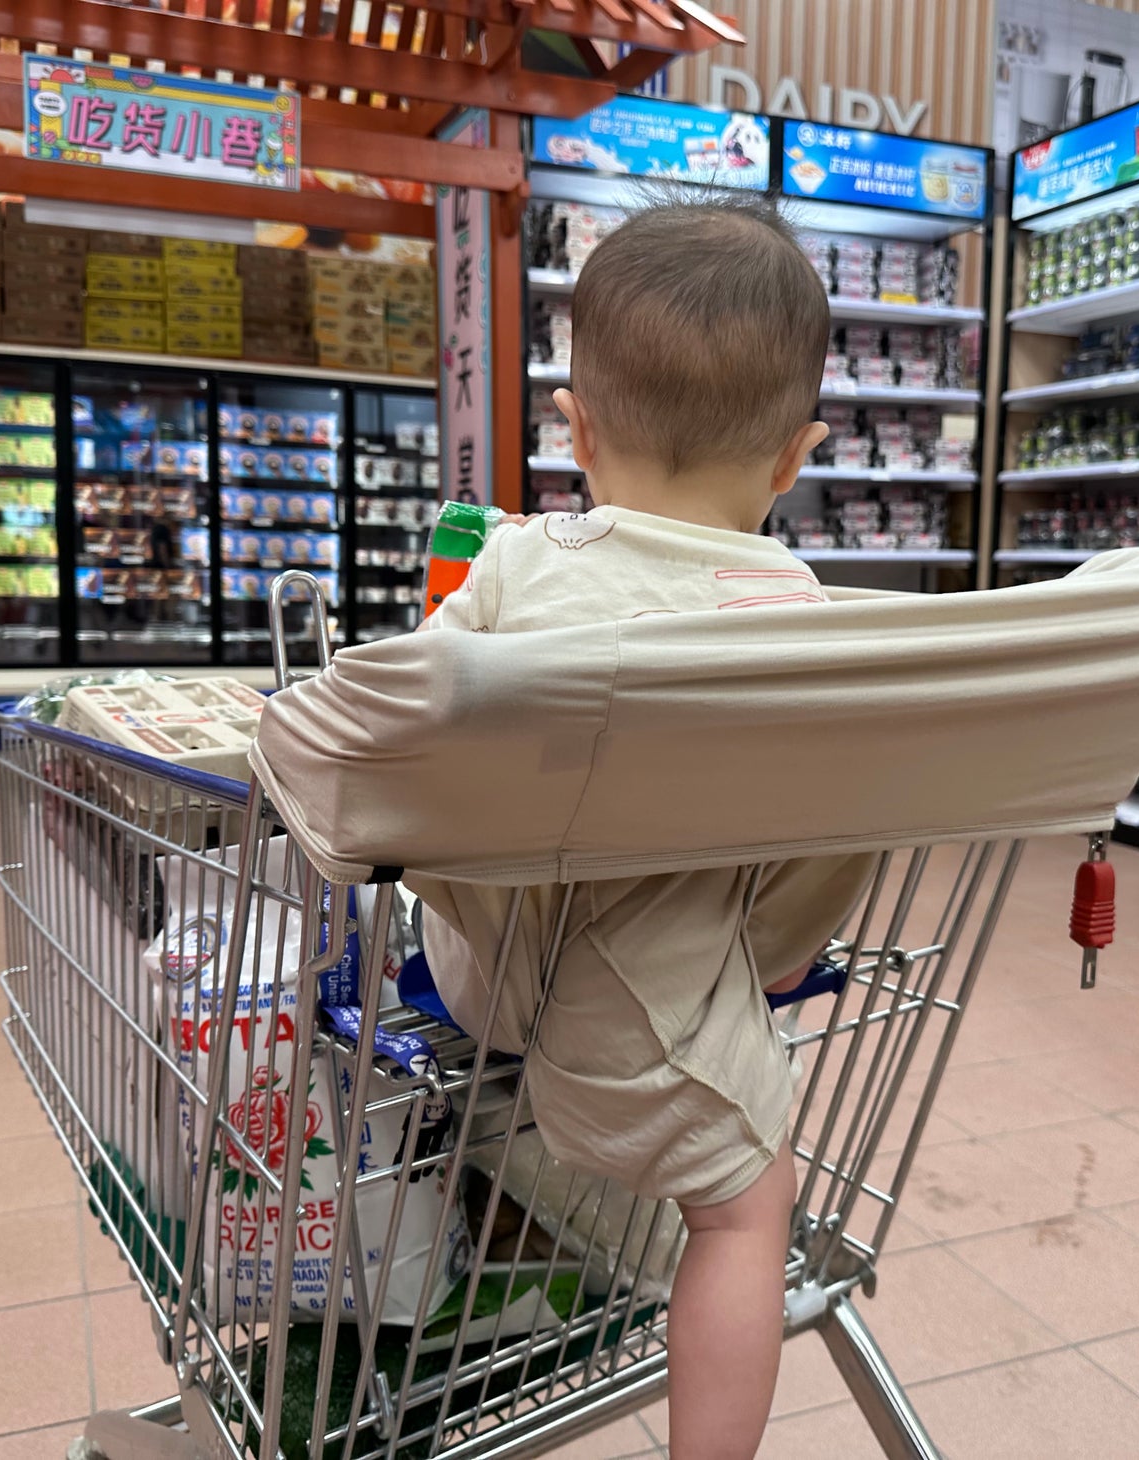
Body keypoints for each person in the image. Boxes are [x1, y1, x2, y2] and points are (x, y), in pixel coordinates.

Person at [406, 194, 869, 1460]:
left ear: (577, 427)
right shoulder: (805, 619)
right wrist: (773, 958)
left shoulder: (512, 563)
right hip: (651, 1017)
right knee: (743, 1209)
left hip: (482, 968)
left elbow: (400, 729)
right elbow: (824, 843)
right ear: (793, 457)